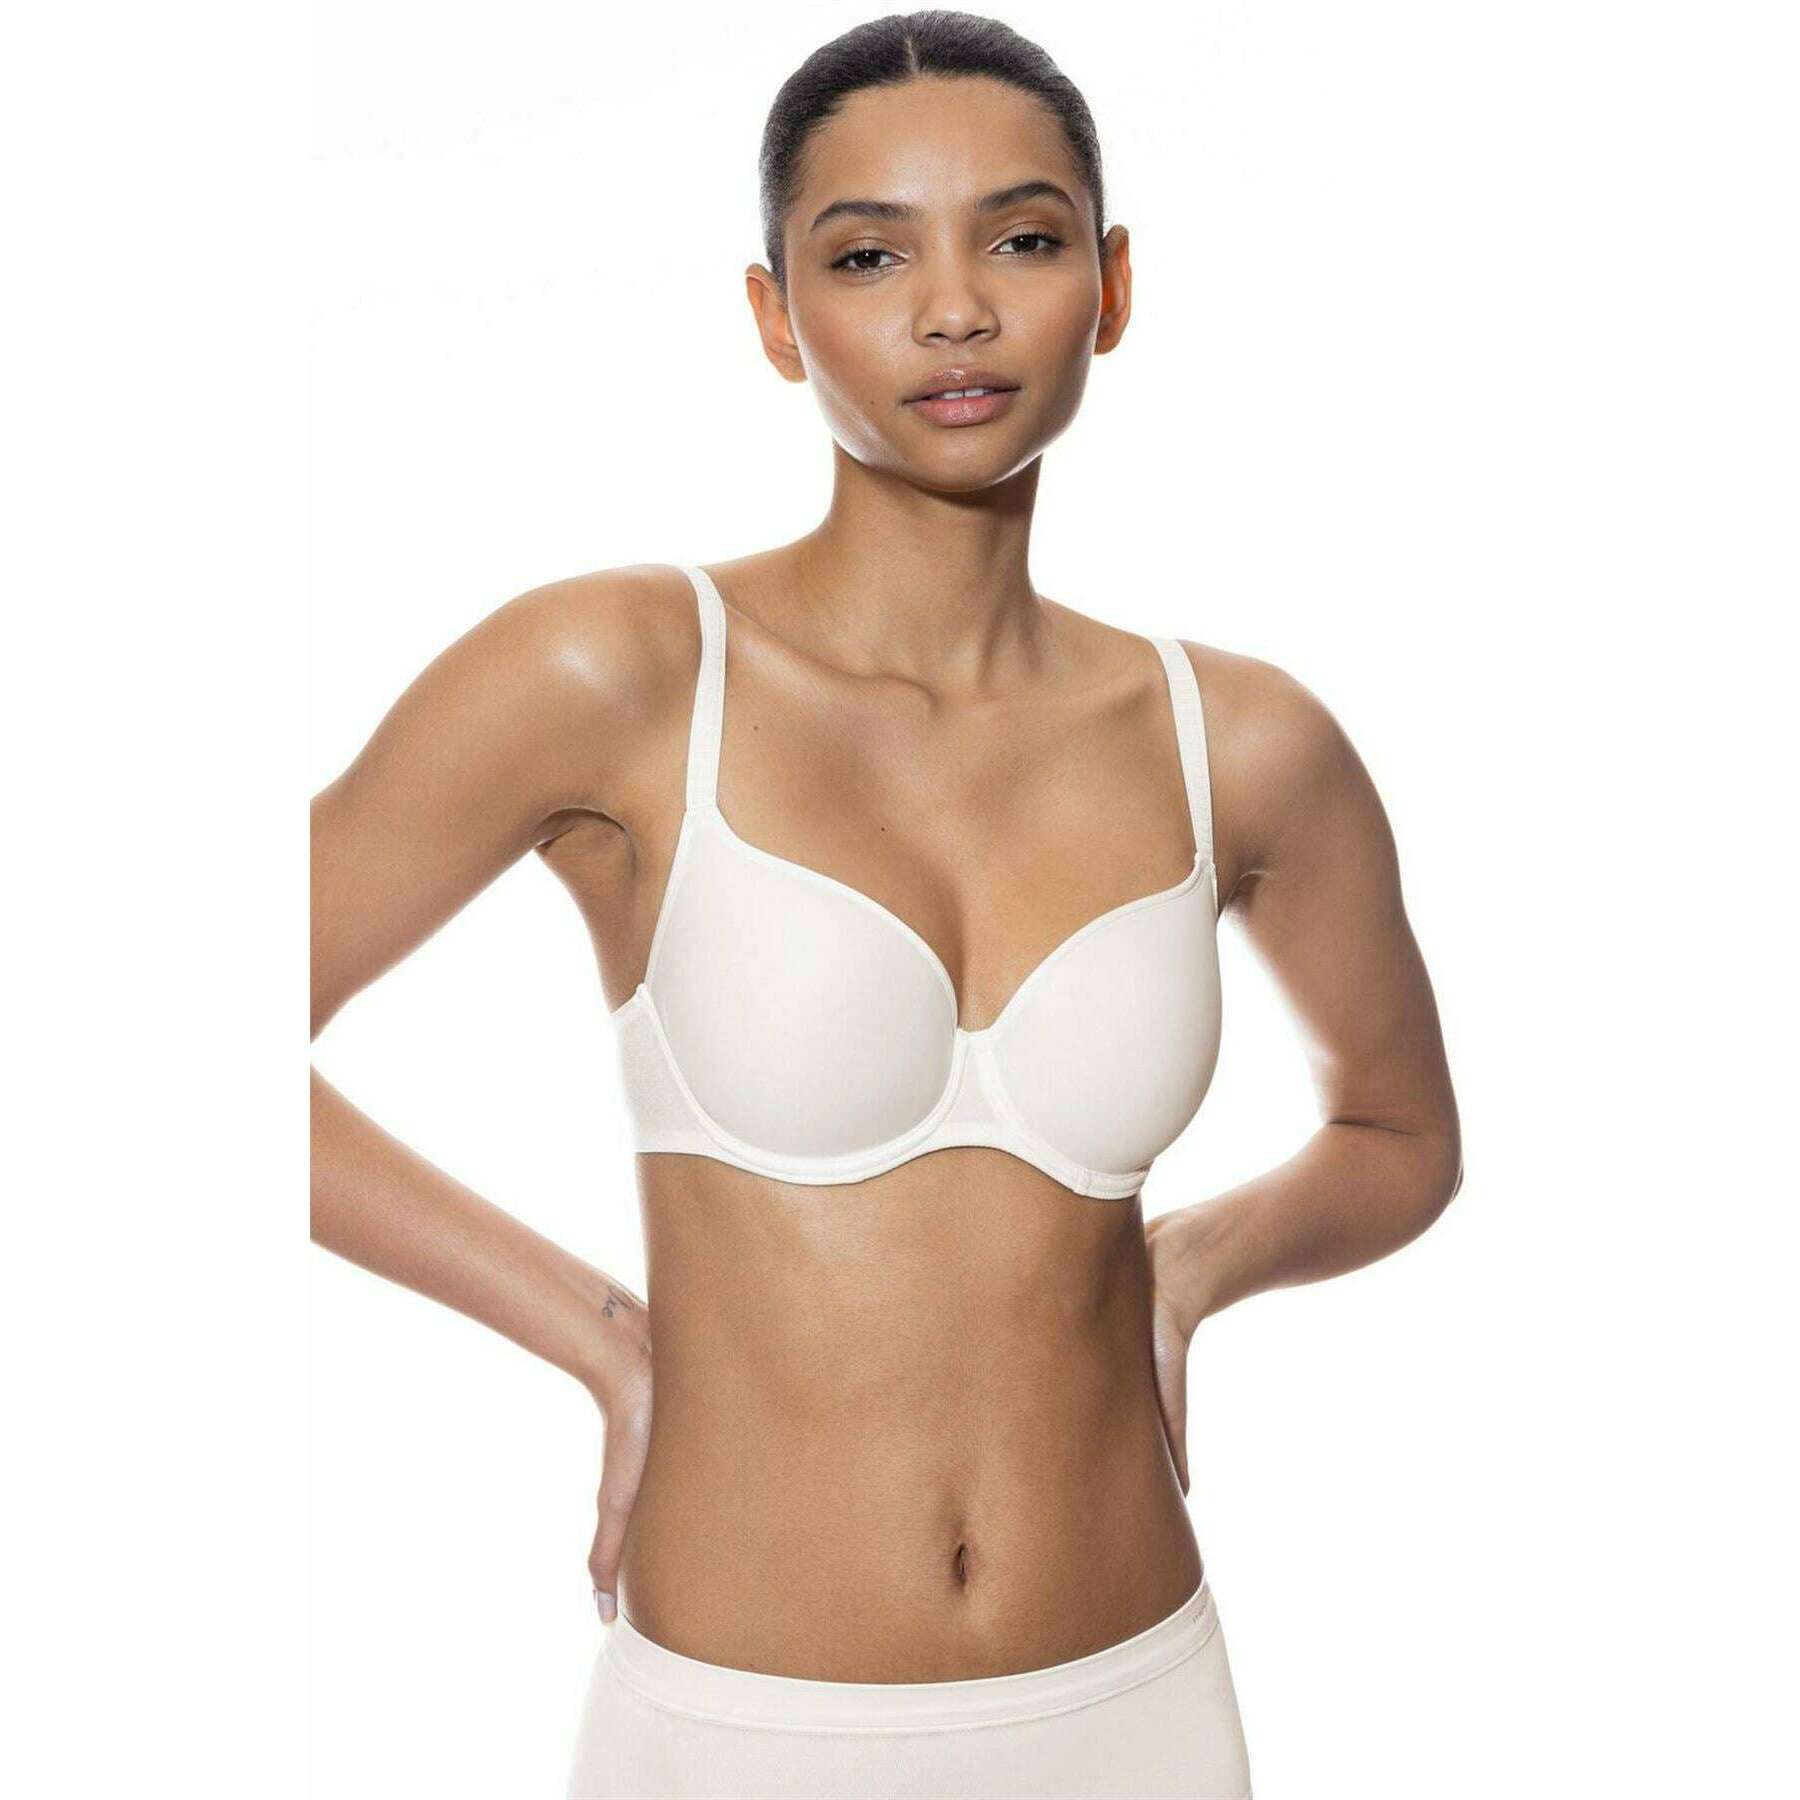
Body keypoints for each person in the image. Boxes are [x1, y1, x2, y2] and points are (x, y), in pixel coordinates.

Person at [311, 12, 1462, 1797]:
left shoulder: (1241, 741)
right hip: (743, 1724)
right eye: (867, 256)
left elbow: (1401, 1137)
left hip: (1139, 1702)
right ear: (776, 316)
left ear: (1112, 285)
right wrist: (602, 1339)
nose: (955, 310)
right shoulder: (617, 674)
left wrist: (1191, 1265)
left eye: (1023, 239)